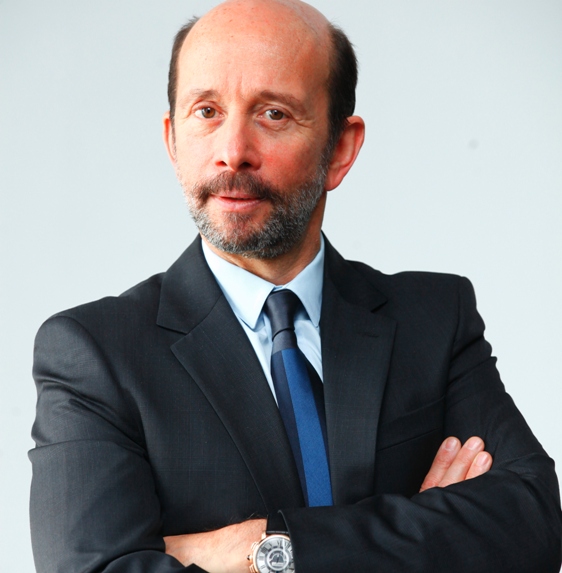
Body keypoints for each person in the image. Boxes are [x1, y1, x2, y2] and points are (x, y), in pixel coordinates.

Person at [29, 0, 561, 572]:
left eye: (273, 114)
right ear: (173, 141)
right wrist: (420, 531)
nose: (233, 152)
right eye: (206, 111)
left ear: (340, 149)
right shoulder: (95, 354)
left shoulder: (434, 321)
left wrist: (260, 549)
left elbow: (533, 525)